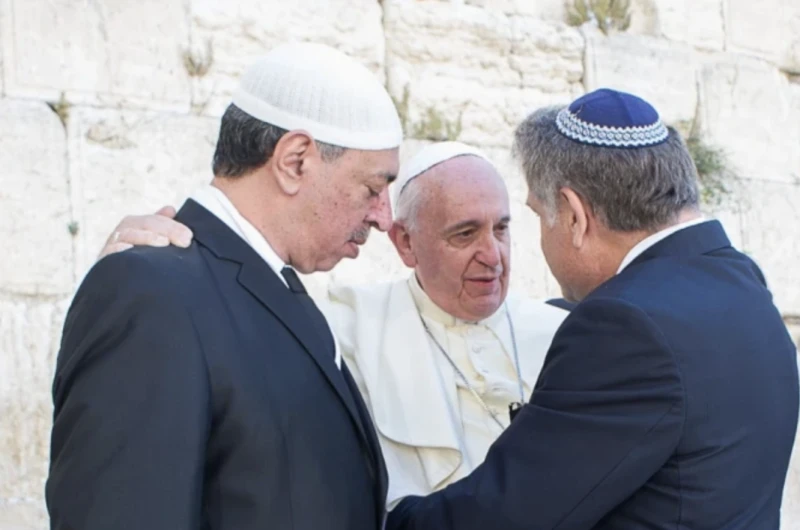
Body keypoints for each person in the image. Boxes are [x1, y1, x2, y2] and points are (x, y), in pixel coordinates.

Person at [385, 88, 800, 529]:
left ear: (574, 215)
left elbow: (508, 515)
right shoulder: (742, 281)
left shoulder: (623, 326)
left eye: (538, 216)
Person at [97, 140, 571, 510]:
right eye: (464, 234)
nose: (492, 256)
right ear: (406, 244)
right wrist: (145, 269)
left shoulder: (564, 333)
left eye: (501, 229)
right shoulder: (343, 327)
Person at [46, 41, 403, 530]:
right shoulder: (151, 295)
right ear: (295, 161)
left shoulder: (275, 293)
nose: (384, 217)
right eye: (373, 188)